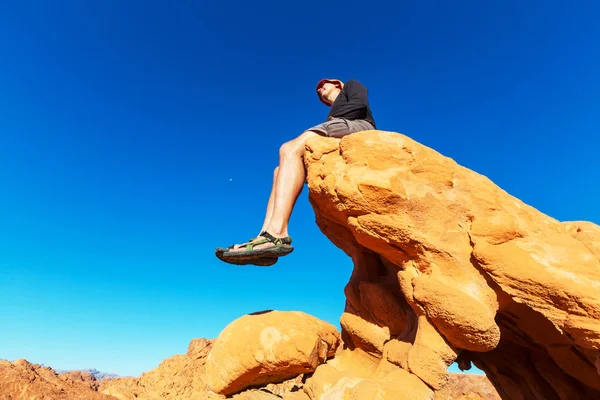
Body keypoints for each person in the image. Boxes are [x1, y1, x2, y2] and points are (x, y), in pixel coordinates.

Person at [216, 78, 376, 266]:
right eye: (318, 89)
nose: (320, 88)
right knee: (279, 171)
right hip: (340, 130)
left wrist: (330, 123)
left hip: (356, 125)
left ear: (337, 84)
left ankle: (277, 234)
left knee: (289, 149)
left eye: (324, 84)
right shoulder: (332, 116)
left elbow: (360, 103)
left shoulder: (350, 85)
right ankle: (265, 235)